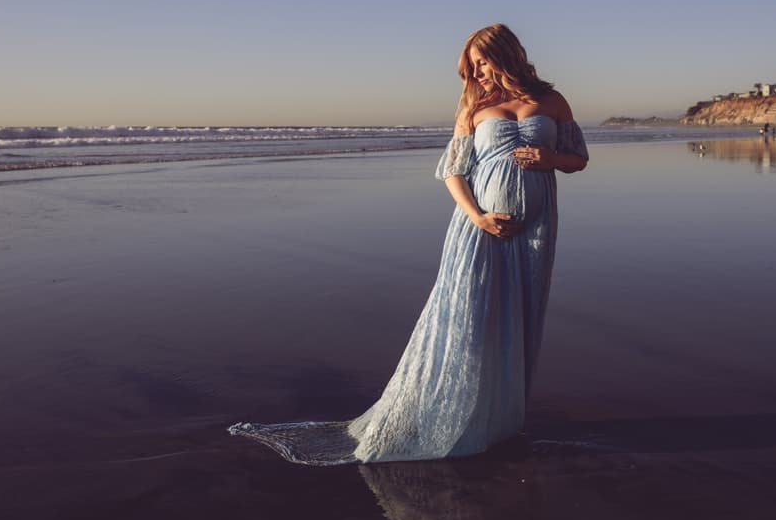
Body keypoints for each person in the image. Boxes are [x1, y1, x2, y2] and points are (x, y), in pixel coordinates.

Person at [228, 24, 589, 464]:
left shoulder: (552, 101)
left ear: (508, 55)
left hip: (536, 230)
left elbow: (578, 159)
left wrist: (550, 159)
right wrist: (478, 217)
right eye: (472, 65)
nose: (478, 71)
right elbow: (453, 171)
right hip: (478, 228)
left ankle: (498, 421)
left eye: (484, 61)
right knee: (467, 316)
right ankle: (449, 416)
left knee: (519, 317)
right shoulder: (475, 105)